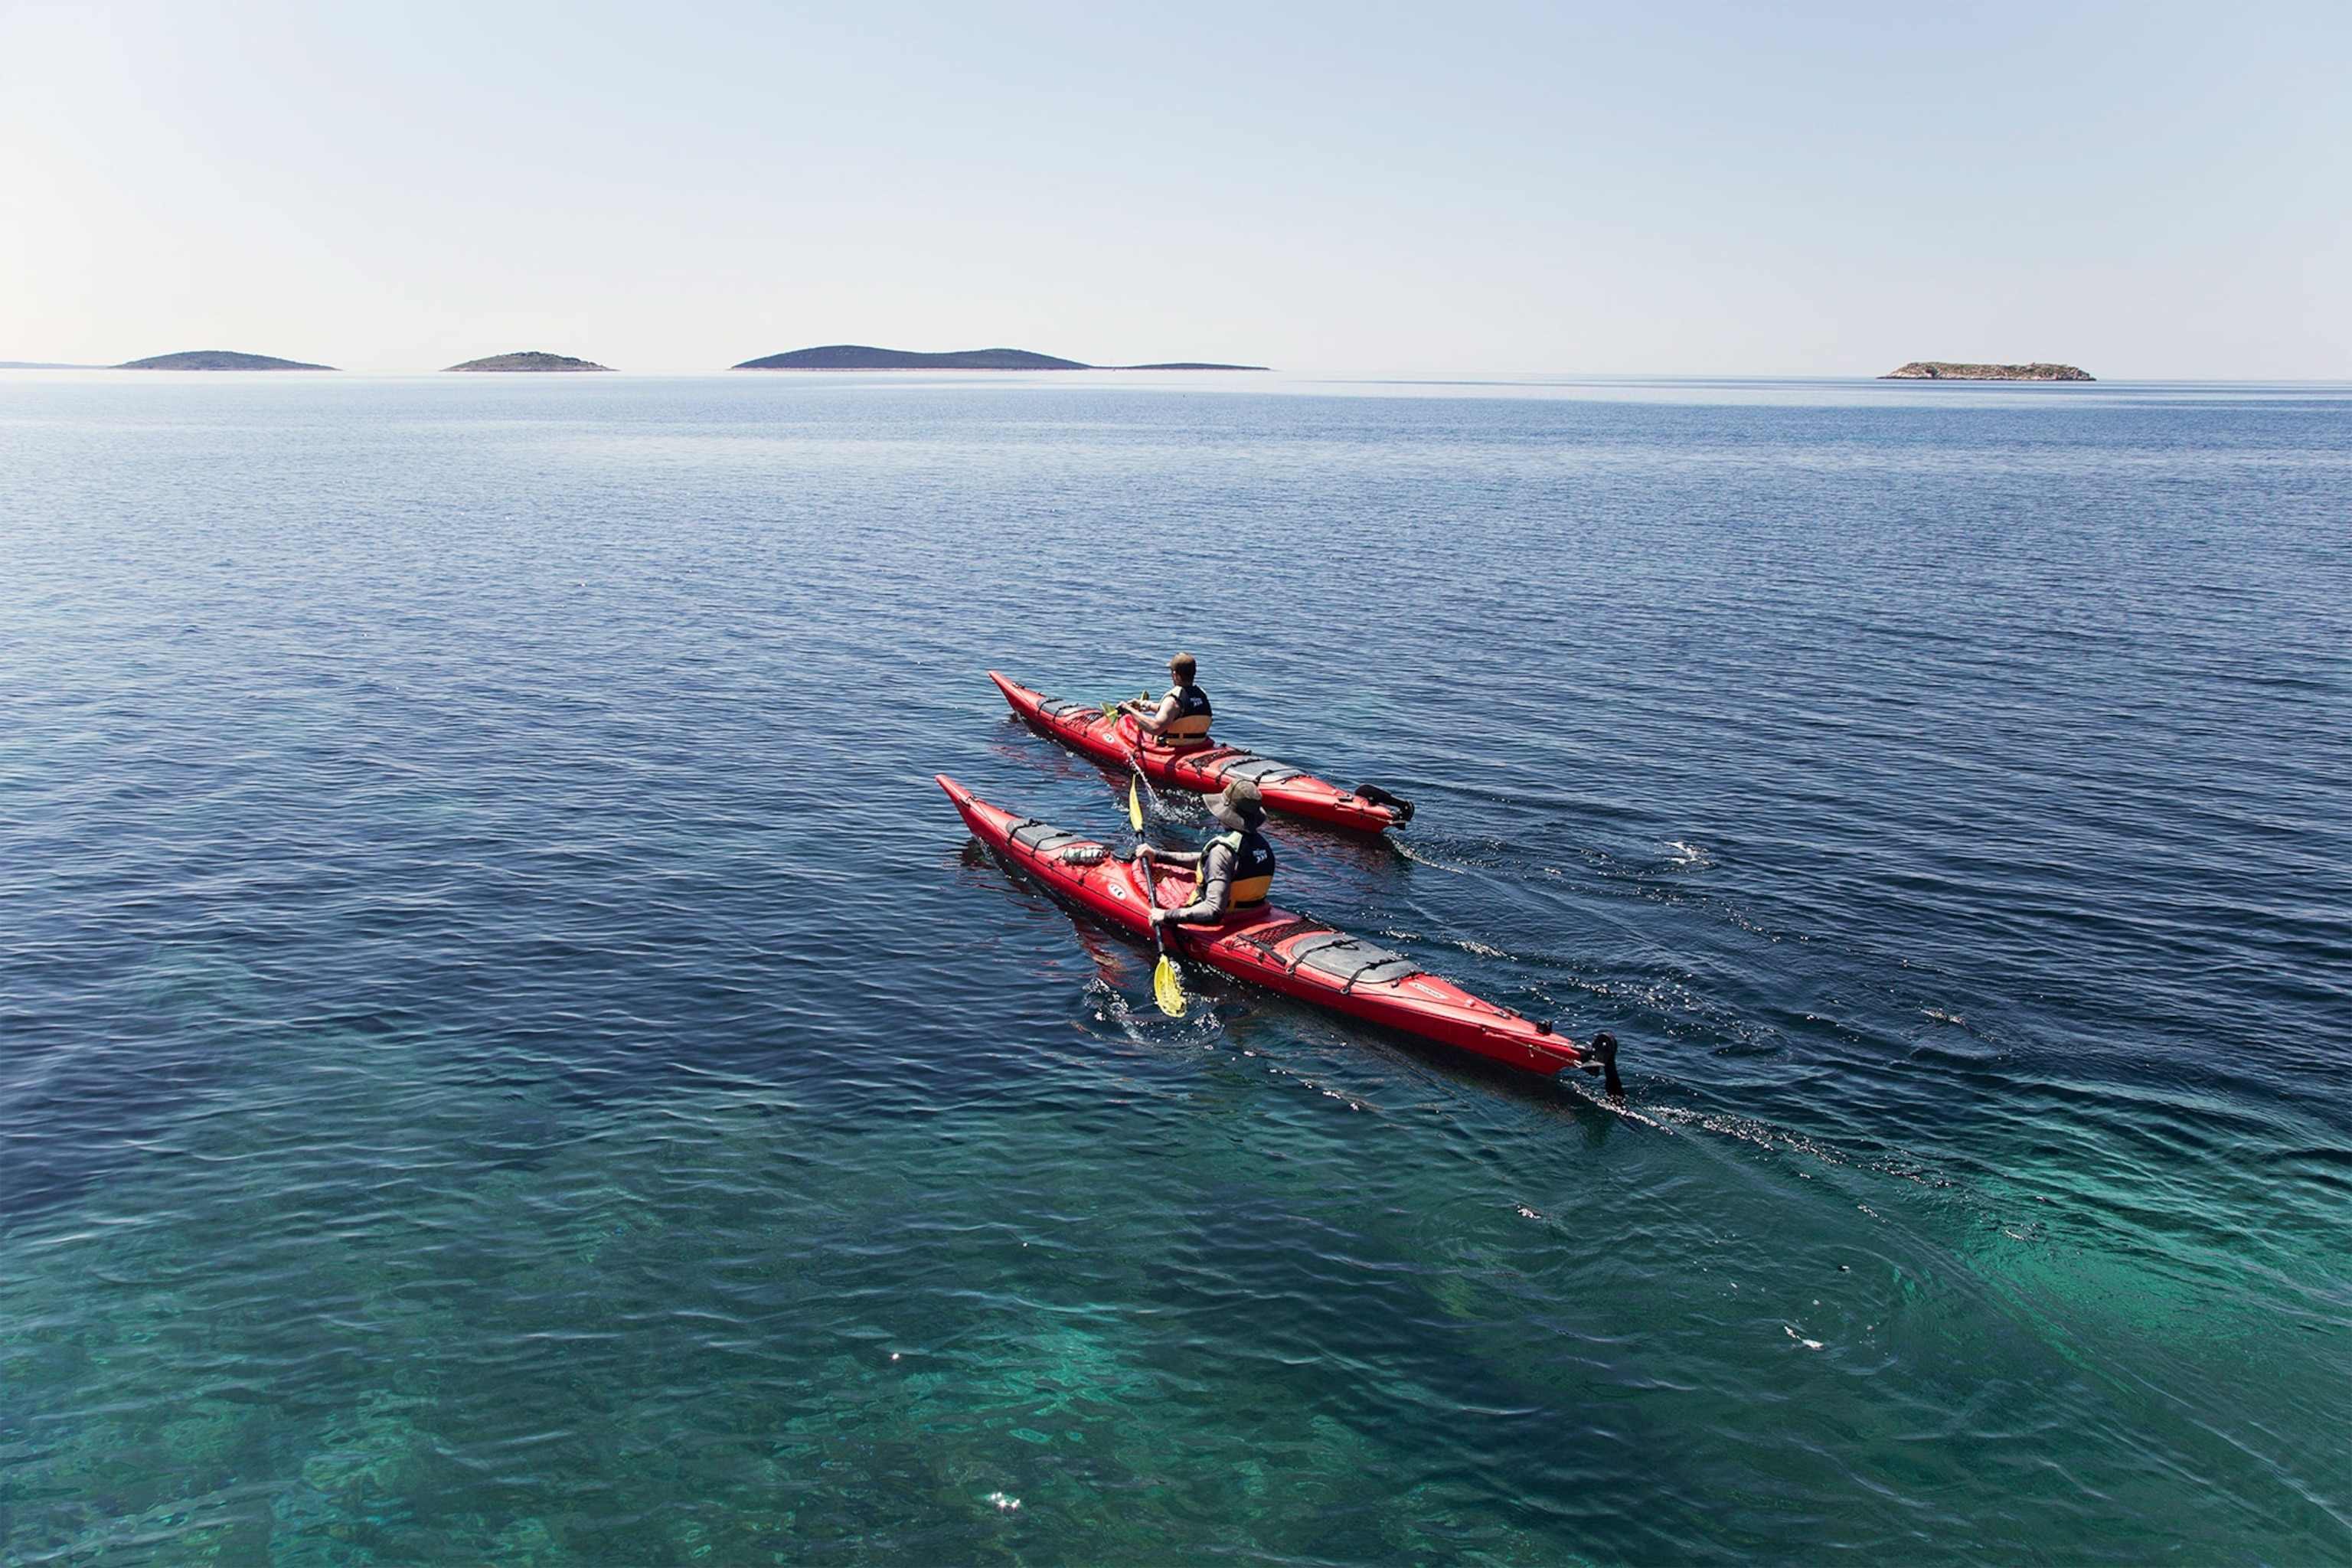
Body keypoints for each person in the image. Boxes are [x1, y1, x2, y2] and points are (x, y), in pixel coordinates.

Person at [1138, 781, 1277, 929]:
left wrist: (1166, 916)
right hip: (1253, 913)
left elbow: (1213, 910)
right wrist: (1158, 856)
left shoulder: (1223, 851)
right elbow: (1209, 861)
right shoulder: (1263, 846)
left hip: (1224, 918)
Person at [1119, 652, 1213, 747]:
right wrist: (1144, 704)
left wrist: (1129, 710)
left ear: (1175, 675)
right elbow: (1176, 712)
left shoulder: (1173, 700)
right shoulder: (1202, 695)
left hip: (1176, 747)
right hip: (1199, 745)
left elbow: (1155, 728)